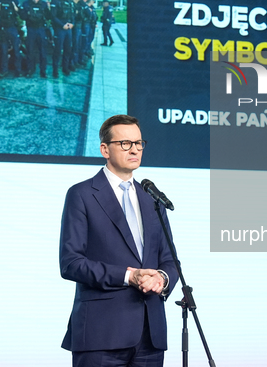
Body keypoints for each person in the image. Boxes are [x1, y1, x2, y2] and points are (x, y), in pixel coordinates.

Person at [59, 114, 179, 367]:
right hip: (100, 334)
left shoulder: (153, 198)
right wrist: (128, 276)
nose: (134, 149)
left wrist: (162, 278)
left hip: (150, 335)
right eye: (125, 143)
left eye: (139, 143)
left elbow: (169, 259)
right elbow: (71, 263)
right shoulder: (82, 194)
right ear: (105, 149)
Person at [19, 0, 50, 78]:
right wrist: (27, 14)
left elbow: (48, 17)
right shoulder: (26, 3)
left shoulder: (43, 4)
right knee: (30, 50)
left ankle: (43, 70)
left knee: (42, 51)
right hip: (31, 29)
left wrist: (48, 10)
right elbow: (22, 16)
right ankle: (30, 69)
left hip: (41, 29)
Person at [0, 0, 22, 78]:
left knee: (16, 50)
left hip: (12, 28)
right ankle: (4, 70)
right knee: (4, 51)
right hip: (3, 29)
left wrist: (16, 9)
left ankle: (18, 70)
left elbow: (19, 12)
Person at [50, 0, 75, 78]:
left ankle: (65, 67)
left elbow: (72, 15)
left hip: (68, 29)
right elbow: (53, 16)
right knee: (57, 50)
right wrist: (62, 25)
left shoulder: (69, 2)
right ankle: (55, 70)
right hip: (60, 29)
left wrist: (72, 23)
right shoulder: (55, 1)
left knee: (68, 49)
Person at [70, 0, 83, 70]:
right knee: (74, 46)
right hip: (74, 27)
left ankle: (74, 61)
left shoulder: (77, 4)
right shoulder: (72, 4)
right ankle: (72, 62)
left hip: (77, 26)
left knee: (77, 45)